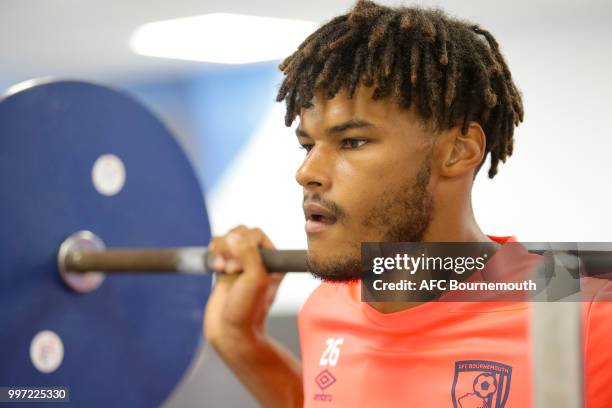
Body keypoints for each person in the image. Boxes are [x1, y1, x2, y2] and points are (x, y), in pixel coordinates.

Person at [204, 1, 612, 406]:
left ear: (457, 151)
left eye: (353, 142)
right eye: (308, 145)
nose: (307, 172)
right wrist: (240, 343)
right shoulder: (328, 307)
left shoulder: (584, 317)